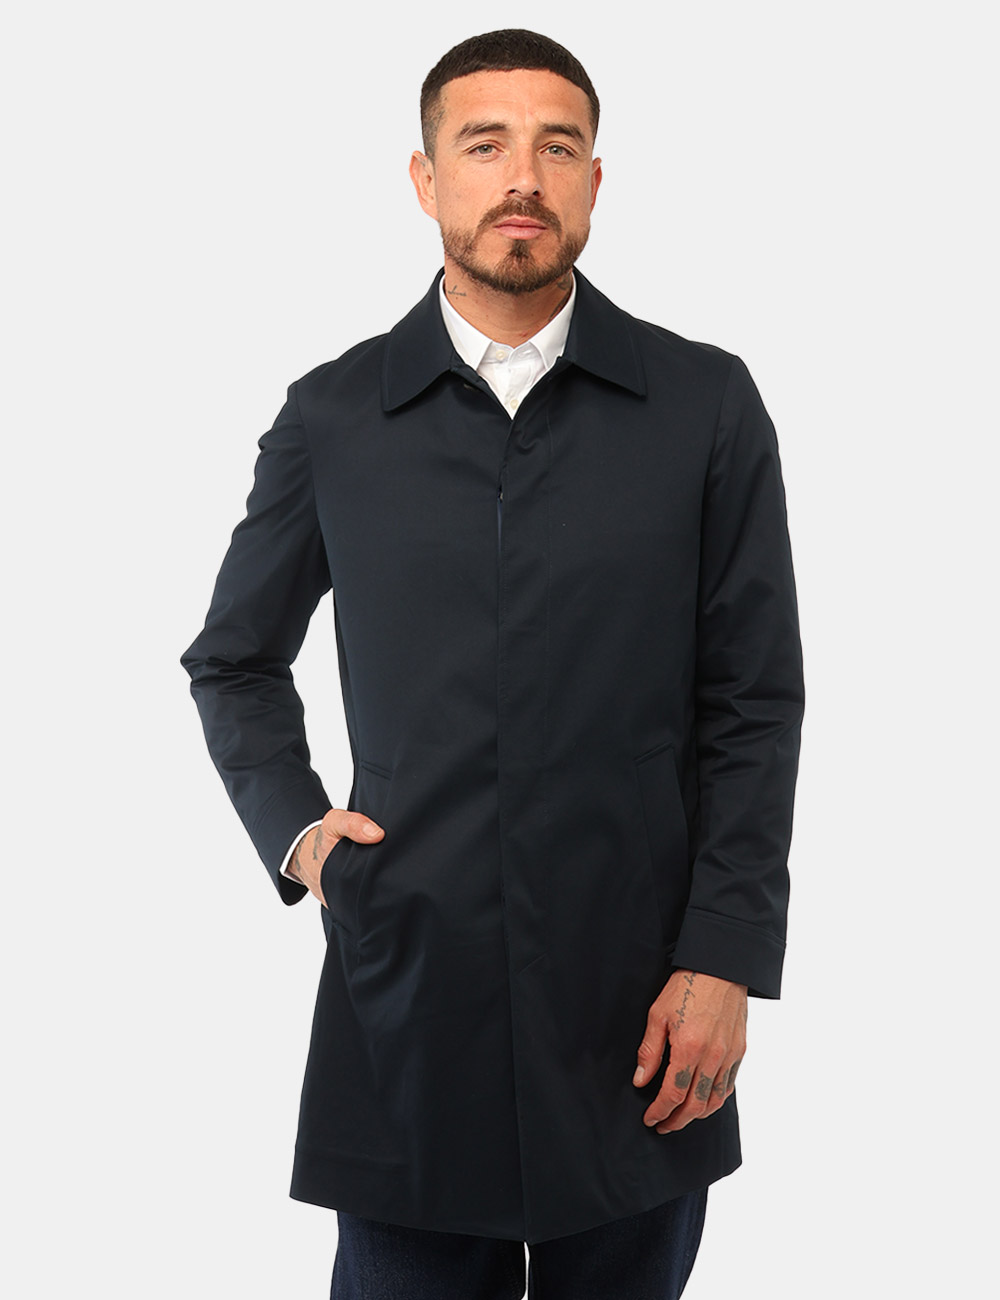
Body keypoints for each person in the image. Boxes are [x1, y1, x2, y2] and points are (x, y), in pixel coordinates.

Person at [181, 28, 804, 1299]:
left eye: (555, 146)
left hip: (642, 1014)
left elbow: (751, 702)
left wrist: (726, 955)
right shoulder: (334, 417)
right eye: (484, 144)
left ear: (593, 180)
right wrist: (301, 836)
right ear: (425, 179)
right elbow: (233, 658)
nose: (522, 176)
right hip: (410, 995)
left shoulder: (704, 405)